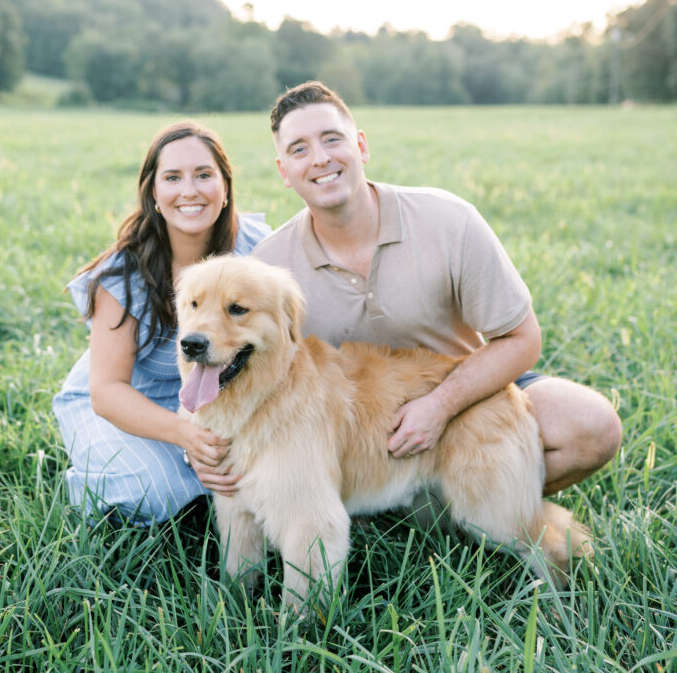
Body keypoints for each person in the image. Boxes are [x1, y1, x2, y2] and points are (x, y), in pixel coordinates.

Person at [252, 81, 621, 495]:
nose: (320, 158)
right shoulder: (269, 266)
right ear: (284, 171)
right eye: (299, 149)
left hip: (468, 403)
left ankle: (471, 503)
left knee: (592, 425)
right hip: (351, 438)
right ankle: (391, 505)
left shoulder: (447, 219)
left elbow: (523, 338)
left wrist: (440, 407)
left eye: (332, 139)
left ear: (361, 146)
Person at [53, 122, 269, 524]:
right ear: (154, 193)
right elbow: (106, 391)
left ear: (225, 187)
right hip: (125, 400)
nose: (189, 190)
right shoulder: (122, 276)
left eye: (204, 175)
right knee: (157, 492)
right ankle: (96, 482)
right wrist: (186, 436)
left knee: (261, 470)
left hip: (216, 396)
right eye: (173, 177)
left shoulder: (256, 250)